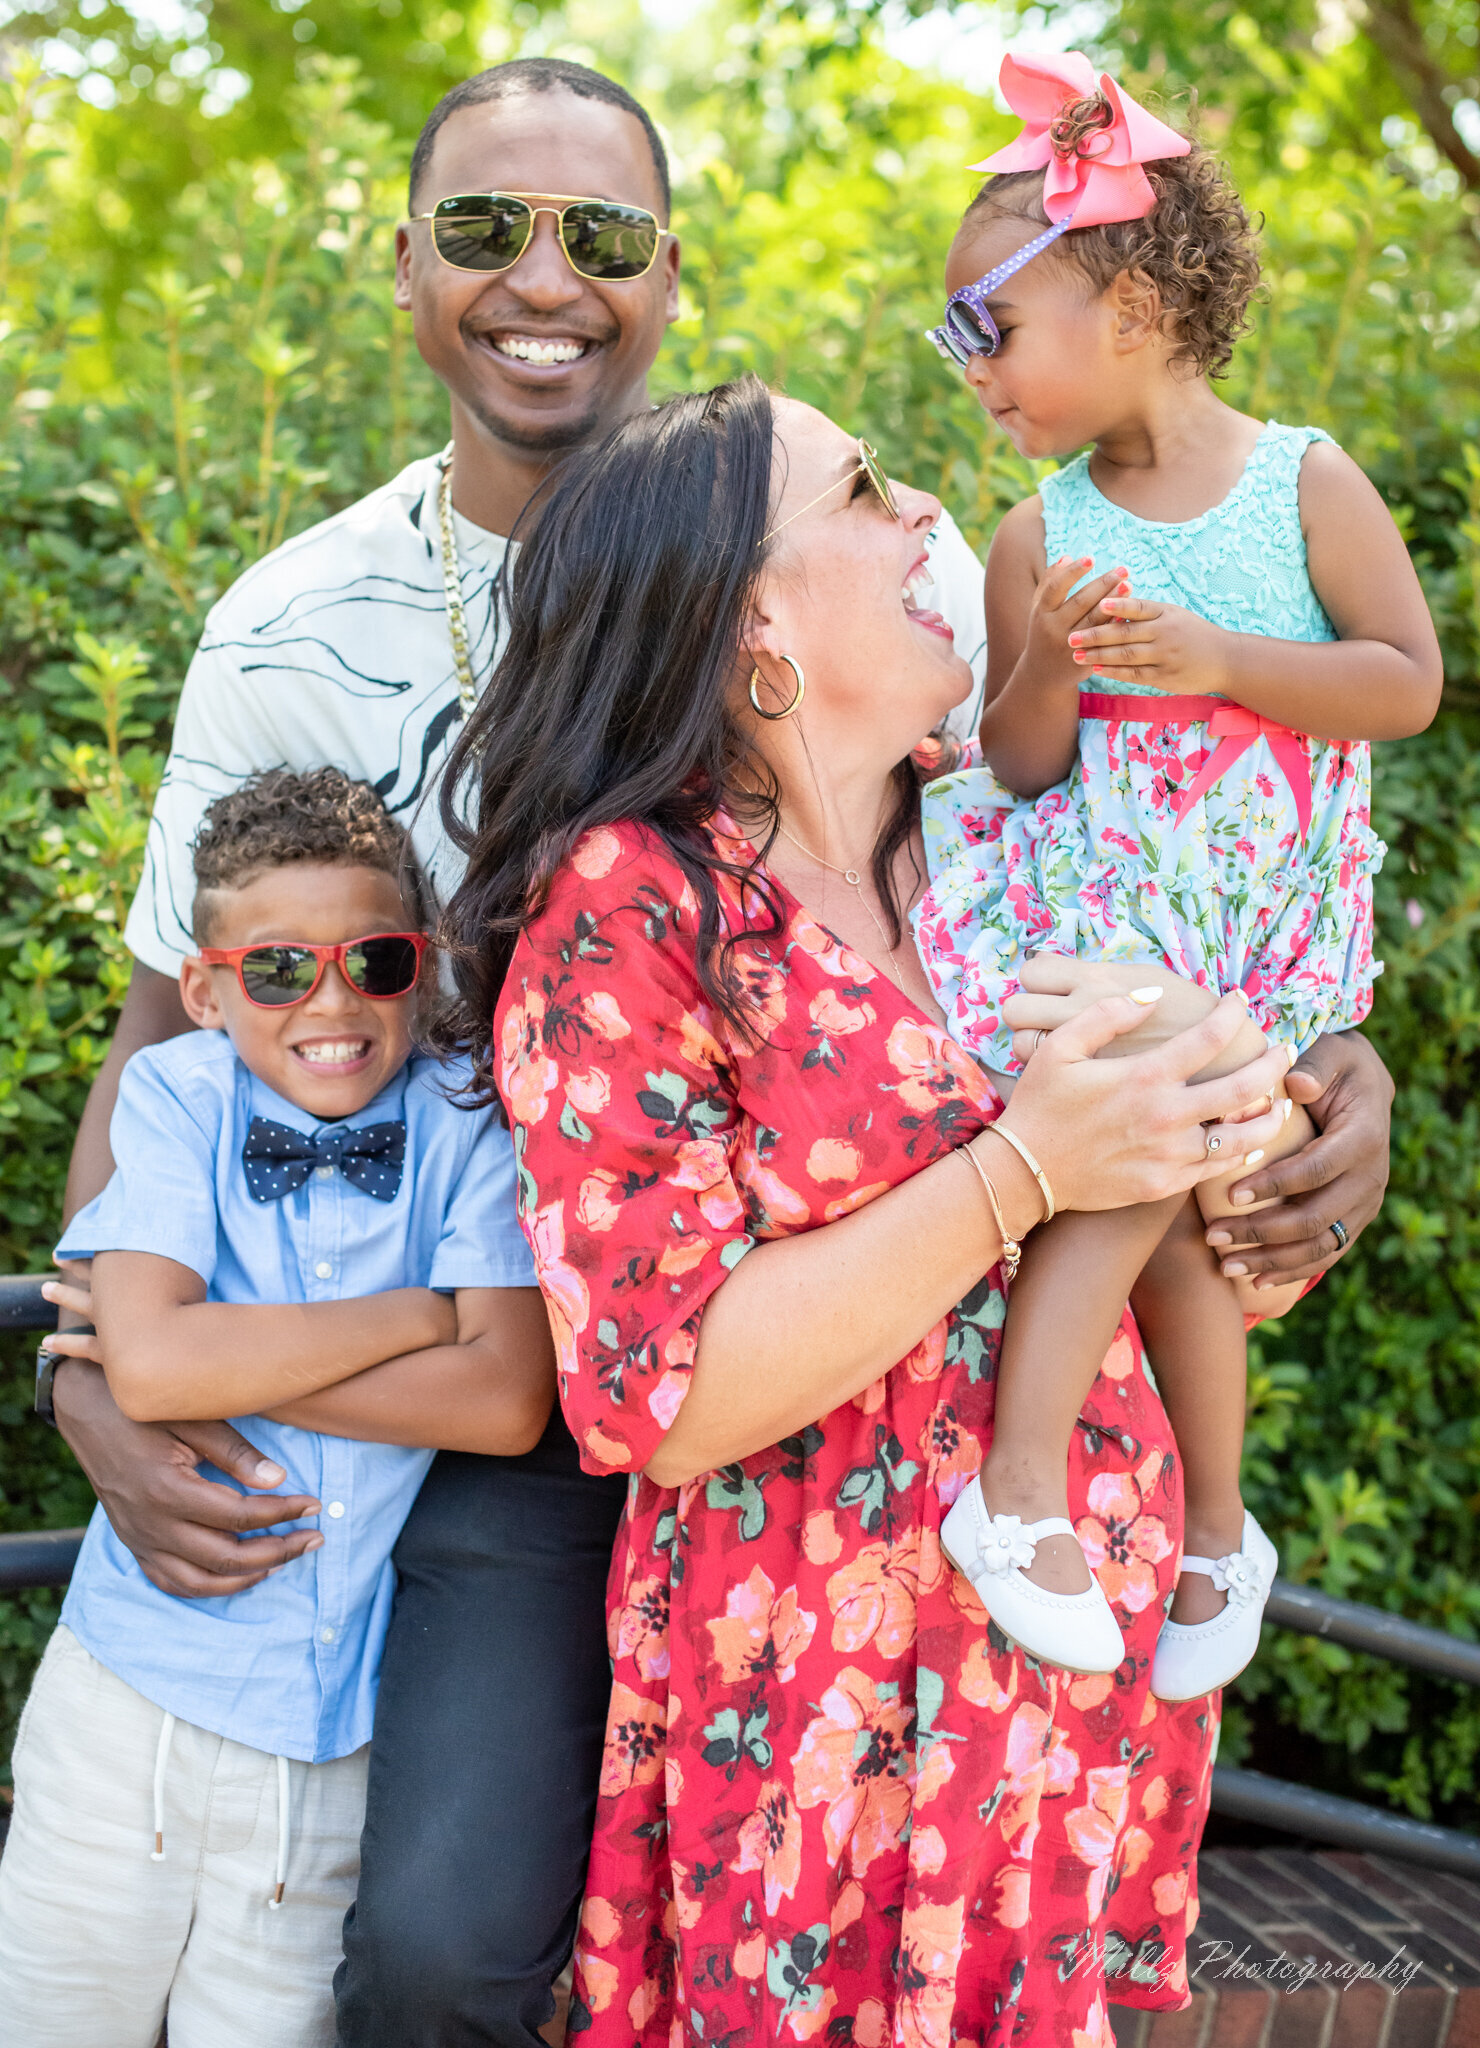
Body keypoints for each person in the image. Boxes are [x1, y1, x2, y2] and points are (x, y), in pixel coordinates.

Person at [43, 52, 1391, 2047]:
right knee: (435, 1942)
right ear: (404, 265)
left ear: (665, 271)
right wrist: (100, 1354)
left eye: (599, 234)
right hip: (587, 1415)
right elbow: (173, 1037)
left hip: (1024, 1617)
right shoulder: (342, 663)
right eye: (486, 227)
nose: (542, 277)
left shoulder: (968, 804)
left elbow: (1224, 933)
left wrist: (1316, 1085)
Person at [438, 373, 1309, 2041]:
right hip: (820, 1694)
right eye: (864, 487)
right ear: (754, 611)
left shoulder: (998, 830)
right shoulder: (636, 904)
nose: (928, 513)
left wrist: (1267, 1110)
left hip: (1066, 1650)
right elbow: (660, 1394)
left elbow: (1176, 1231)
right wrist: (1027, 1161)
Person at [914, 50, 1442, 1700]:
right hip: (1110, 912)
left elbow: (1403, 681)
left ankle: (1212, 1523)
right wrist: (1058, 660)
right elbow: (1018, 758)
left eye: (980, 328)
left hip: (1257, 909)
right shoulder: (1033, 531)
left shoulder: (1304, 482)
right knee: (1145, 1152)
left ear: (1126, 302)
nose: (968, 373)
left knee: (1189, 1214)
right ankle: (1034, 1495)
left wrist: (1218, 658)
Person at [0, 769, 552, 2047]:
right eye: (278, 969)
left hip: (330, 1750)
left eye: (374, 958)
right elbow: (145, 1371)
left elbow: (507, 1395)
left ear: (422, 966)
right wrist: (422, 1316)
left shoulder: (468, 1123)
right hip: (128, 1710)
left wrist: (219, 1348)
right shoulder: (179, 1093)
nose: (333, 1002)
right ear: (205, 989)